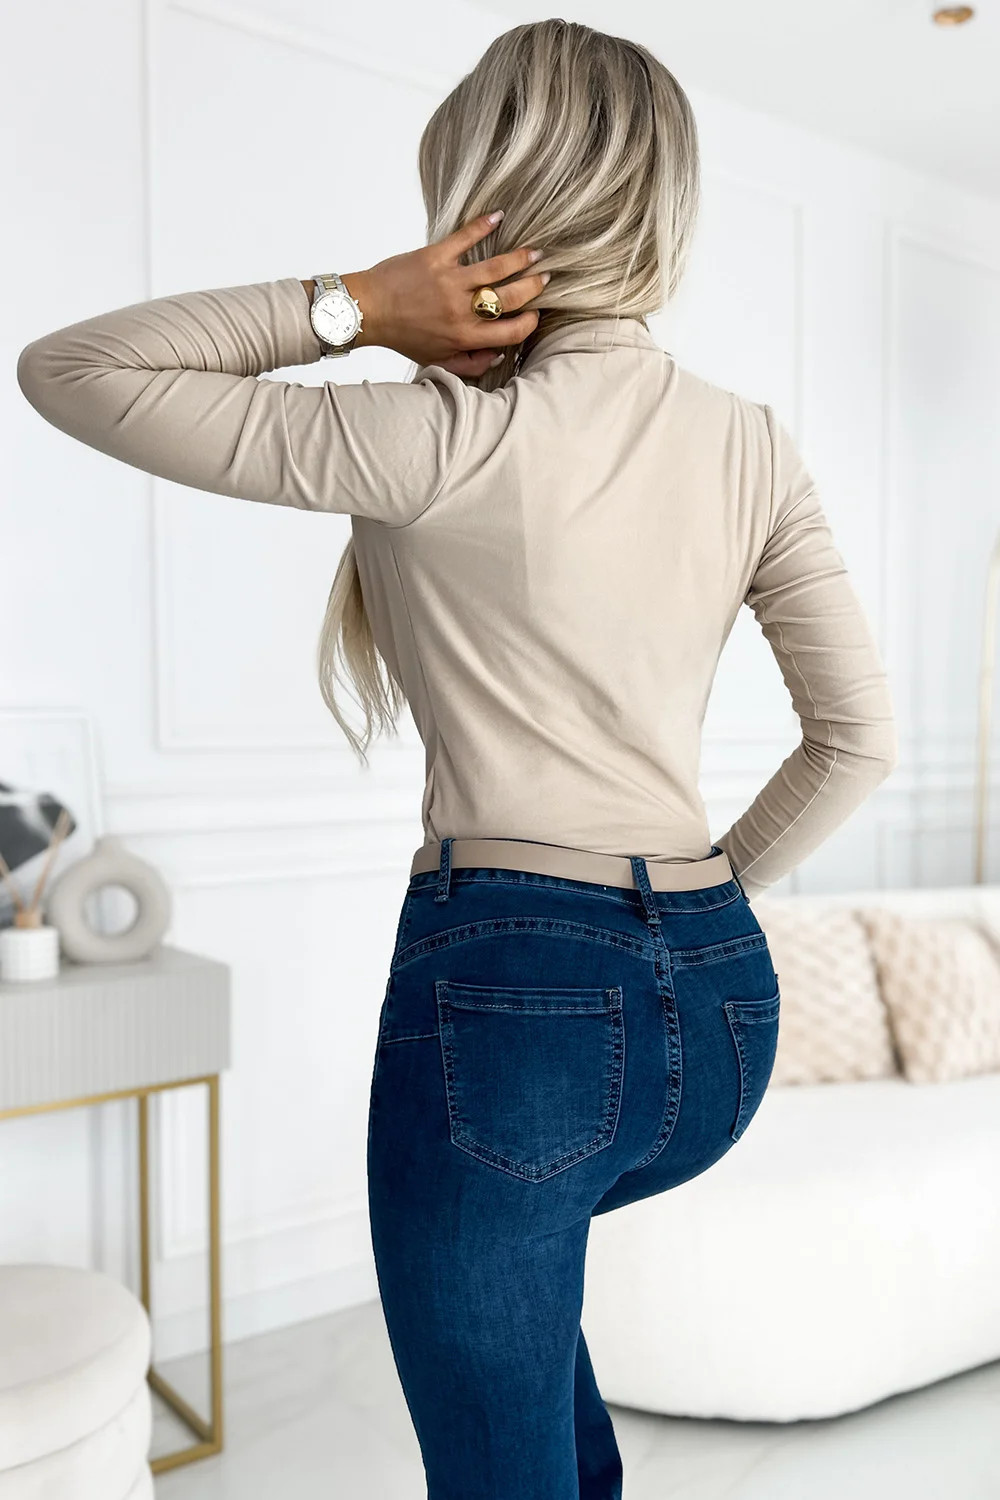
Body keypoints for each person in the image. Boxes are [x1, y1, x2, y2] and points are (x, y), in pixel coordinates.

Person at [15, 18, 898, 1499]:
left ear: (488, 198)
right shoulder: (750, 441)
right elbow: (859, 739)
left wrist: (363, 304)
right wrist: (691, 907)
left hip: (519, 1017)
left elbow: (73, 368)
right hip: (724, 1014)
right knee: (545, 1390)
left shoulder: (438, 436)